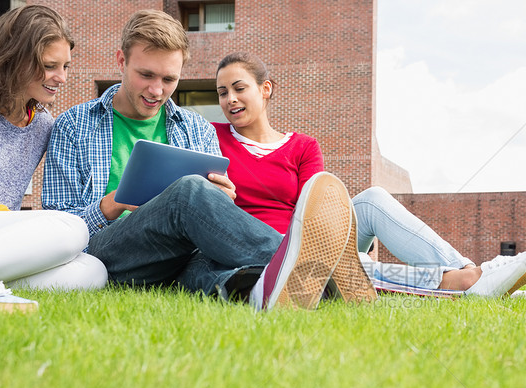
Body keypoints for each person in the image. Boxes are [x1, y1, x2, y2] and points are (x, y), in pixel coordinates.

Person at [42, 10, 363, 310]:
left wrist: (221, 199)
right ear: (121, 60)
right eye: (146, 75)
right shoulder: (74, 126)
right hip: (111, 254)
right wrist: (114, 204)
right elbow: (56, 233)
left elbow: (211, 211)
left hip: (178, 256)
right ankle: (320, 269)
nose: (156, 90)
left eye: (169, 80)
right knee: (188, 193)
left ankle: (263, 287)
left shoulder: (196, 129)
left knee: (210, 270)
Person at [212, 51, 526, 300]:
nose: (230, 99)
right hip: (266, 249)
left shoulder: (302, 145)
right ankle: (470, 281)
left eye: (239, 88)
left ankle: (467, 271)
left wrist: (334, 241)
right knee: (344, 266)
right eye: (222, 92)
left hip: (312, 236)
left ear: (266, 89)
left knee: (373, 198)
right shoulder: (211, 136)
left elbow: (319, 206)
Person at [0, 5, 107, 292]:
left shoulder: (42, 125)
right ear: (16, 59)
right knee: (72, 228)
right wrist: (13, 224)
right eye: (50, 66)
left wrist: (15, 234)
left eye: (65, 67)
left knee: (92, 271)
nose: (61, 78)